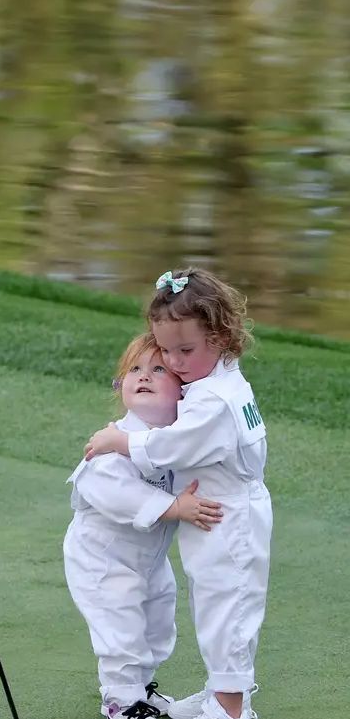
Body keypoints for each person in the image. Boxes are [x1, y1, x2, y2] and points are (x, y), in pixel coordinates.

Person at [85, 269, 273, 719]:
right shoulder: (221, 379)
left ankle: (230, 709)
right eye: (166, 350)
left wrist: (120, 440)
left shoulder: (213, 401)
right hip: (215, 509)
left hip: (226, 514)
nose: (174, 362)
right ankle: (222, 697)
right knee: (213, 604)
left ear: (221, 335)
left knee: (227, 609)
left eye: (184, 350)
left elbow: (172, 444)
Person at [64, 332, 223, 719]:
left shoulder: (172, 441)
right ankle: (120, 702)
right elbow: (108, 489)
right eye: (134, 370)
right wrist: (173, 506)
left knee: (156, 620)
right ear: (121, 386)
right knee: (121, 629)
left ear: (183, 391)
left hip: (147, 559)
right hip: (102, 558)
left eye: (157, 369)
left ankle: (140, 689)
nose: (144, 376)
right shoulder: (112, 440)